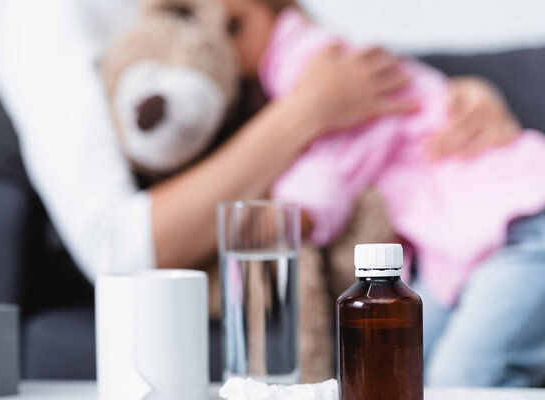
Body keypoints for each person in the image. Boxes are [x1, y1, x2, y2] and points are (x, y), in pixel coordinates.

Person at [218, 0, 545, 387]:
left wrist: (293, 210)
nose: (223, 43)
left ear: (276, 9)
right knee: (406, 371)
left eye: (235, 26)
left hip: (522, 219)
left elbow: (342, 149)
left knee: (461, 377)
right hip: (458, 252)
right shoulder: (277, 85)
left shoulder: (315, 58)